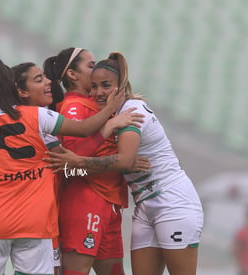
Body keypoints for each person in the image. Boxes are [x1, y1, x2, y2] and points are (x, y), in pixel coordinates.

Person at [0, 58, 143, 275]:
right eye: (39, 79)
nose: (48, 82)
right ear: (19, 90)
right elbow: (72, 163)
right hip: (37, 222)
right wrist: (114, 161)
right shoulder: (39, 119)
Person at [44, 52, 204, 275]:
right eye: (94, 85)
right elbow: (73, 167)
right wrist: (91, 162)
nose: (98, 92)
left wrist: (85, 162)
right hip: (137, 204)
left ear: (121, 86)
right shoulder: (92, 110)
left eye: (106, 86)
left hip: (172, 201)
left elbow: (120, 160)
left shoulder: (130, 111)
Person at [44, 47, 144, 275]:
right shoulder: (74, 107)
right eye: (90, 65)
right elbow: (70, 165)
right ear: (72, 74)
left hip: (109, 201)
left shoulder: (96, 104)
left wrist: (123, 162)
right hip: (85, 200)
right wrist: (118, 158)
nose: (96, 68)